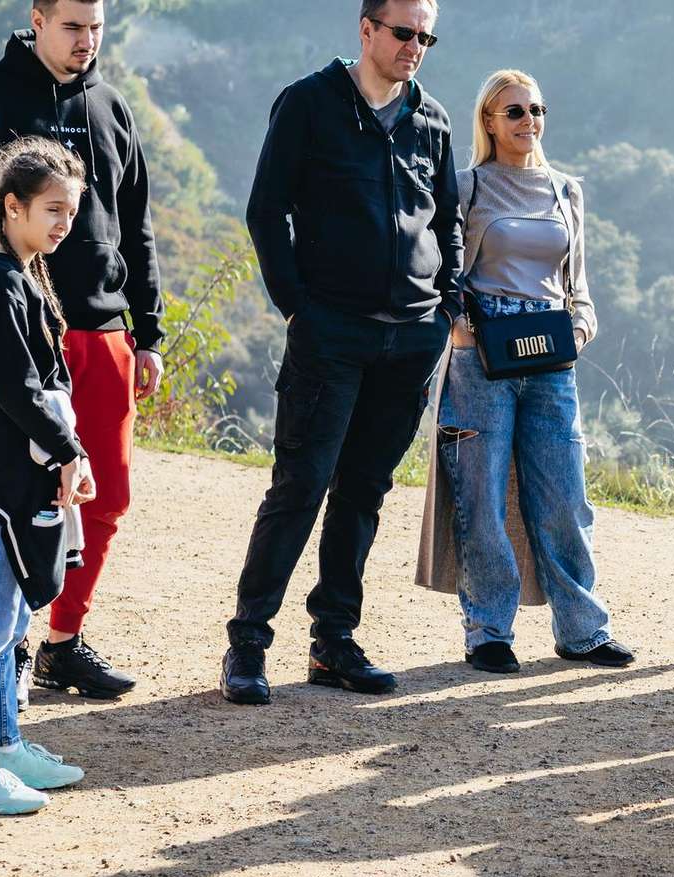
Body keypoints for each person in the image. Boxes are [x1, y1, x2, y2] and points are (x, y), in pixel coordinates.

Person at [221, 0, 462, 704]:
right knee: (300, 485)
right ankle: (248, 643)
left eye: (426, 36)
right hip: (331, 330)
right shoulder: (308, 103)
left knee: (363, 491)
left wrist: (445, 308)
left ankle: (334, 642)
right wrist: (297, 306)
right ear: (367, 30)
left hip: (411, 336)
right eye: (403, 32)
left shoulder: (433, 119)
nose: (415, 46)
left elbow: (448, 219)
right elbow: (267, 210)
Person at [0, 0, 164, 701]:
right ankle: (5, 645)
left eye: (96, 27)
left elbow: (137, 224)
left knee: (105, 495)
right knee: (15, 493)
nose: (86, 40)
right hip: (15, 328)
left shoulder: (112, 107)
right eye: (72, 26)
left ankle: (62, 643)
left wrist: (148, 331)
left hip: (104, 331)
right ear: (37, 20)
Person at [413, 70, 633, 674]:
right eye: (513, 111)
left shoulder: (566, 190)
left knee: (566, 497)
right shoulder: (467, 187)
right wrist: (459, 328)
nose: (528, 120)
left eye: (536, 109)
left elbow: (578, 284)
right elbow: (439, 270)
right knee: (480, 496)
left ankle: (582, 631)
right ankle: (489, 632)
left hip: (552, 357)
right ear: (488, 120)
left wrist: (579, 332)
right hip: (481, 356)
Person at [0, 137, 93, 815]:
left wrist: (65, 453)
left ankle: (5, 746)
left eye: (72, 211)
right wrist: (69, 452)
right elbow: (17, 387)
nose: (64, 222)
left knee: (7, 625)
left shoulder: (24, 276)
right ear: (13, 207)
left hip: (21, 474)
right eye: (52, 209)